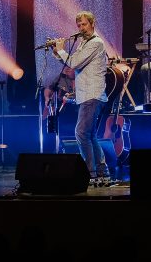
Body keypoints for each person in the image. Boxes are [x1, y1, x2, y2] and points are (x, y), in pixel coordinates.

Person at [51, 11, 111, 186]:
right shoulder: (84, 42)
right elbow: (72, 62)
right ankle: (101, 171)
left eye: (84, 24)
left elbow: (74, 63)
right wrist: (57, 52)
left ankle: (90, 172)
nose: (81, 28)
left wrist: (62, 49)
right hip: (87, 94)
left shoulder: (96, 43)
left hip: (93, 94)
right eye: (79, 25)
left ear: (92, 23)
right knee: (90, 134)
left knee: (81, 132)